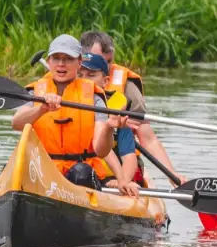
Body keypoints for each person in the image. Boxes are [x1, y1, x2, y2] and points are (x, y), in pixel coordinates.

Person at [12, 34, 140, 197]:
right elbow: (16, 123)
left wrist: (108, 127)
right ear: (49, 62)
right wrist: (41, 109)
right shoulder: (34, 93)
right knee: (16, 167)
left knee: (81, 173)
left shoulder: (95, 98)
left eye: (68, 59)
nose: (61, 64)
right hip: (43, 169)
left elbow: (101, 151)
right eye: (56, 58)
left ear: (79, 62)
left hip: (80, 173)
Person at [79, 30, 184, 180]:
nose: (106, 67)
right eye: (102, 60)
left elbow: (148, 139)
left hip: (117, 162)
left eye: (109, 62)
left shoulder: (127, 88)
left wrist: (172, 175)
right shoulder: (65, 80)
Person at [80, 52, 144, 190]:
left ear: (105, 81)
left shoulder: (116, 113)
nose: (84, 80)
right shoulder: (60, 105)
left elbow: (128, 156)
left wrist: (123, 181)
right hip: (74, 173)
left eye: (91, 75)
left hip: (106, 180)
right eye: (80, 75)